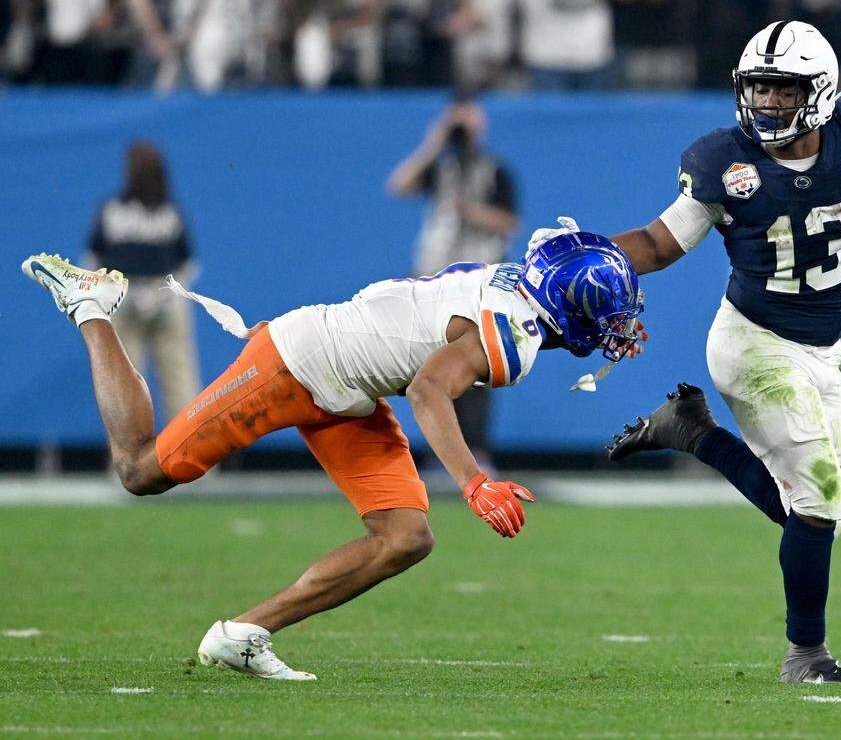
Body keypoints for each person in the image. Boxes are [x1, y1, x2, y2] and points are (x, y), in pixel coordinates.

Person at [22, 229, 644, 681]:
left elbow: (631, 252)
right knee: (139, 469)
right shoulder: (514, 334)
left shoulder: (523, 280)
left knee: (406, 536)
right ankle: (89, 305)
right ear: (570, 305)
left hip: (349, 389)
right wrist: (475, 482)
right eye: (608, 313)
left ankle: (242, 635)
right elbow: (430, 389)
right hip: (297, 362)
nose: (619, 327)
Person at [530, 20, 841, 684]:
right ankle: (806, 655)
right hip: (753, 343)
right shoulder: (725, 160)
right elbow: (660, 242)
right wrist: (593, 257)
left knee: (819, 516)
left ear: (820, 93)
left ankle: (694, 433)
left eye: (783, 91)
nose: (768, 103)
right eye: (759, 88)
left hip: (821, 345)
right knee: (815, 497)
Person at [388, 94, 518, 473]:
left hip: (480, 279)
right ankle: (440, 452)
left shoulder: (494, 170)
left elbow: (510, 222)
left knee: (479, 367)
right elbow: (399, 185)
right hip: (438, 279)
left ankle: (475, 451)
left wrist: (471, 211)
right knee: (433, 369)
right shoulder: (441, 167)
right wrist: (433, 143)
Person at [87, 140, 200, 424]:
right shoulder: (114, 210)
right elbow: (93, 259)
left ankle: (191, 463)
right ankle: (130, 465)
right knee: (125, 390)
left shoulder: (169, 213)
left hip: (166, 305)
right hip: (123, 306)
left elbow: (187, 264)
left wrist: (162, 294)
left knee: (181, 387)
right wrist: (114, 295)